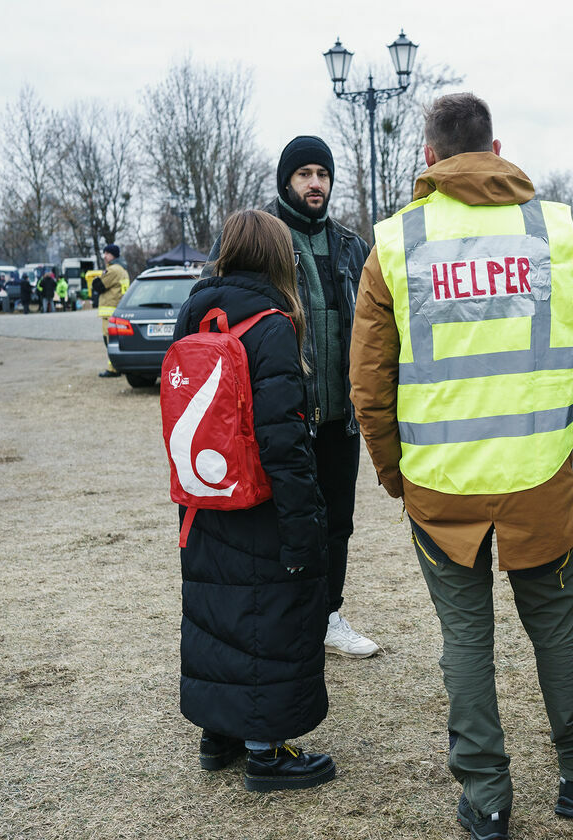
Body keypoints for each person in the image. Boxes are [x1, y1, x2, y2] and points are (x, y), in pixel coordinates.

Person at [348, 92, 573, 840]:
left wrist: (394, 476)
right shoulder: (555, 230)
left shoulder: (396, 244)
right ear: (497, 149)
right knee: (556, 632)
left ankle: (487, 800)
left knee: (464, 643)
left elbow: (368, 390)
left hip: (441, 490)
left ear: (430, 160)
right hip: (539, 478)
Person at [172, 208, 335, 792]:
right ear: (275, 258)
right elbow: (284, 440)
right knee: (269, 617)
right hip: (260, 502)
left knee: (216, 614)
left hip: (202, 497)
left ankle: (218, 737)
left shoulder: (191, 315)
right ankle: (266, 753)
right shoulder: (270, 325)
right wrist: (304, 527)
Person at [203, 135, 380, 659]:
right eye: (304, 174)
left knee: (337, 520)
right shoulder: (259, 241)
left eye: (322, 175)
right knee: (283, 521)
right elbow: (214, 306)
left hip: (340, 418)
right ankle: (287, 618)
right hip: (282, 415)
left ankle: (327, 614)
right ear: (286, 181)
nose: (315, 184)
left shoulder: (351, 245)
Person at [96, 245, 130, 378]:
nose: (105, 256)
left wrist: (97, 278)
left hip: (109, 312)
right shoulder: (123, 269)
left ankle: (113, 369)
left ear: (114, 255)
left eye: (107, 253)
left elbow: (98, 285)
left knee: (109, 340)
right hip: (118, 309)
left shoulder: (113, 270)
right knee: (117, 340)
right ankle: (117, 365)